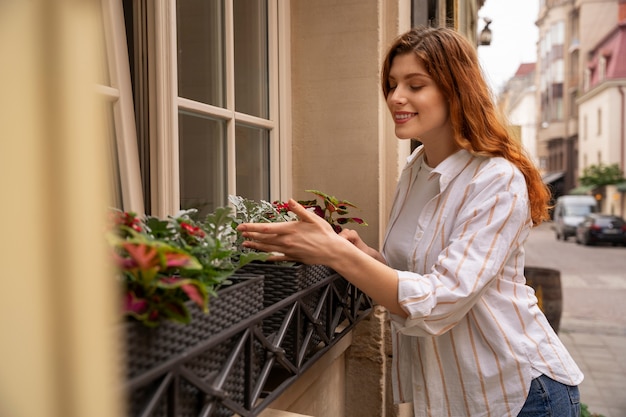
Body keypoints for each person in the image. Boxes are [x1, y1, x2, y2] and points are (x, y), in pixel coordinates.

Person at [237, 26, 583, 417]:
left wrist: (335, 254)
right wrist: (365, 256)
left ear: (456, 90)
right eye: (391, 84)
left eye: (415, 85)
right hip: (455, 396)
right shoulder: (416, 169)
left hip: (517, 393)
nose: (395, 97)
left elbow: (441, 300)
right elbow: (415, 274)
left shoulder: (496, 179)